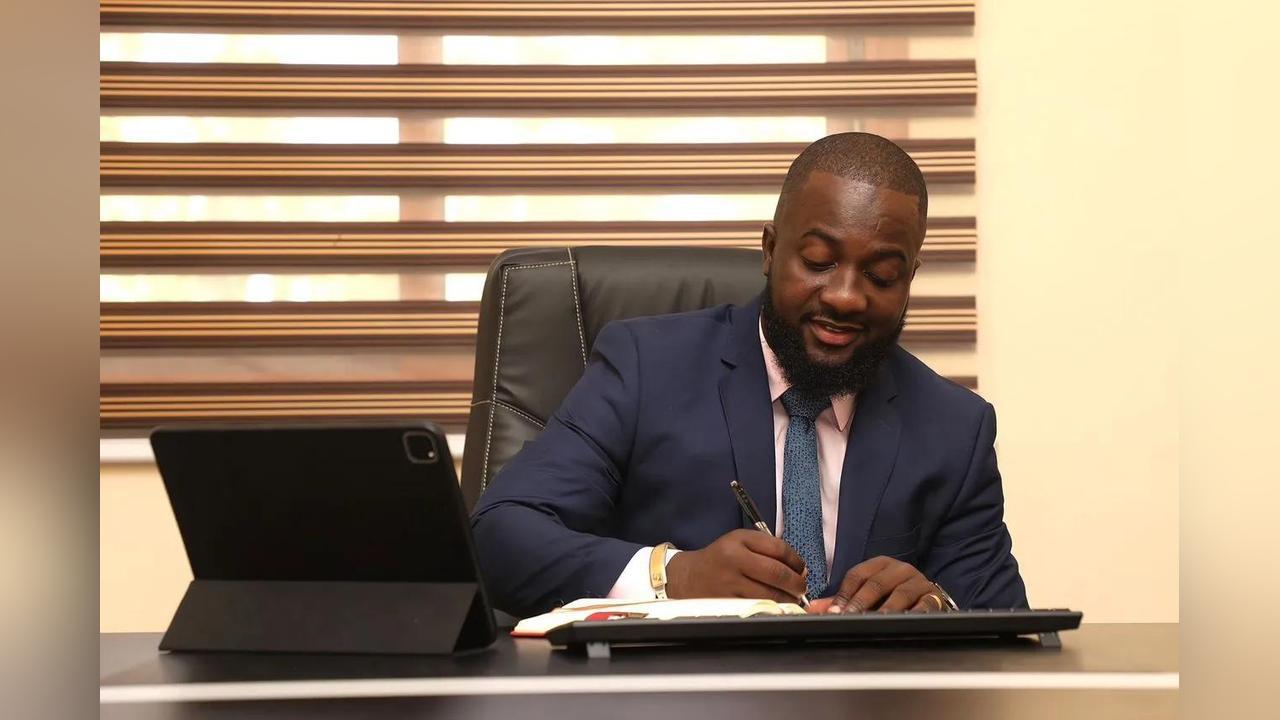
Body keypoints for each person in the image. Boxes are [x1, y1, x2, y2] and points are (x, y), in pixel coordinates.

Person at [471, 132, 1027, 619]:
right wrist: (675, 576)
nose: (846, 297)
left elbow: (1010, 627)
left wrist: (937, 604)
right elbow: (500, 534)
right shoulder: (646, 368)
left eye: (881, 275)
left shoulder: (955, 428)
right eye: (818, 261)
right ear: (770, 250)